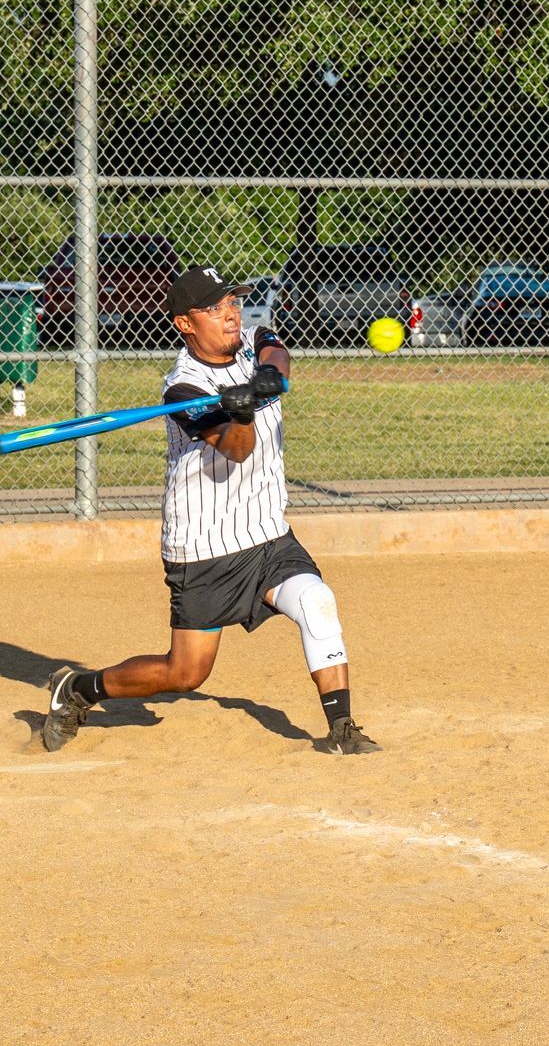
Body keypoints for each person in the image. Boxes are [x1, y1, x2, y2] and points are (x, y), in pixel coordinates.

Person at [40, 265, 381, 756]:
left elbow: (276, 350)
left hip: (267, 531)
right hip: (205, 545)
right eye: (216, 307)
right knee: (186, 673)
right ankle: (77, 689)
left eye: (233, 303)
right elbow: (237, 448)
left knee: (317, 603)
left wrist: (266, 376)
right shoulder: (183, 391)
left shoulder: (248, 341)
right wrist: (239, 410)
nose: (230, 314)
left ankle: (342, 728)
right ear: (185, 323)